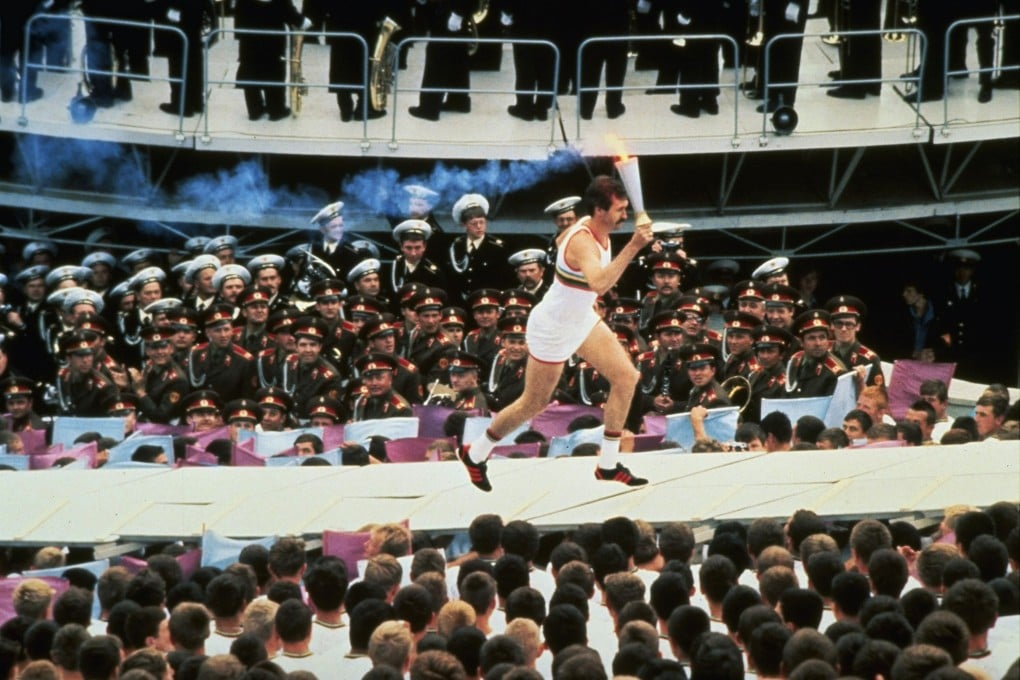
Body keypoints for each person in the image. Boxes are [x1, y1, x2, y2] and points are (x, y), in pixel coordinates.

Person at [460, 175, 654, 492]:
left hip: (580, 319)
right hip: (552, 328)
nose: (624, 215)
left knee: (626, 378)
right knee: (533, 402)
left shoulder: (595, 228)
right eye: (620, 210)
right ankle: (475, 453)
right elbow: (600, 284)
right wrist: (634, 245)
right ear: (600, 211)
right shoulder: (581, 241)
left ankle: (607, 465)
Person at [233, 0, 311, 121]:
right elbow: (298, 20)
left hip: (249, 44)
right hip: (272, 45)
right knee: (274, 76)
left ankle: (254, 110)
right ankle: (276, 110)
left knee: (250, 74)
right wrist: (305, 22)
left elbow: (238, 26)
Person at [408, 0, 473, 121]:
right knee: (457, 55)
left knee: (437, 55)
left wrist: (459, 13)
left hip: (449, 10)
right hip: (447, 9)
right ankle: (458, 100)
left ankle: (429, 107)